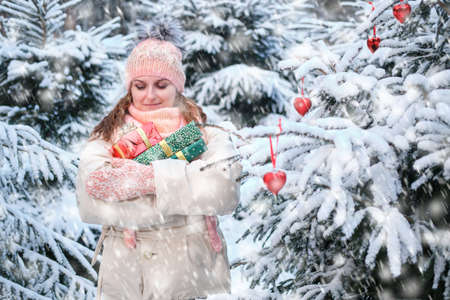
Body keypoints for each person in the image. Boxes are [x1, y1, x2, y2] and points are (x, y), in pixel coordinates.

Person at [76, 20, 242, 300]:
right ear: (130, 88)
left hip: (186, 277)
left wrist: (143, 179)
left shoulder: (205, 134)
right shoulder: (107, 135)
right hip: (126, 278)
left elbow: (223, 192)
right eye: (140, 86)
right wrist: (183, 187)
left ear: (178, 87)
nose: (149, 95)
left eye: (161, 85)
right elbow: (89, 200)